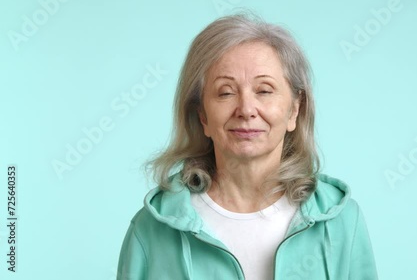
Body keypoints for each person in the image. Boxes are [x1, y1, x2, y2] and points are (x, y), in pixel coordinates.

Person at [117, 14, 378, 280]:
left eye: (264, 90)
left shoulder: (343, 222)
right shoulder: (151, 229)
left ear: (294, 110)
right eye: (226, 92)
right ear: (202, 116)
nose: (246, 110)